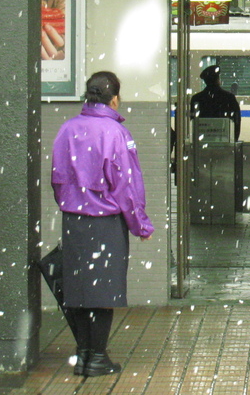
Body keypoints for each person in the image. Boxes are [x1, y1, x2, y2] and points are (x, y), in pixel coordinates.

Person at [51, 72, 153, 377]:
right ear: (115, 98)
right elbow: (127, 186)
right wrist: (140, 225)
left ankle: (83, 354)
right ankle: (96, 357)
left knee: (78, 289)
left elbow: (57, 178)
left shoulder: (67, 129)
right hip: (105, 223)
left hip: (74, 221)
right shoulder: (116, 133)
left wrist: (72, 205)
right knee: (102, 293)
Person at [190, 64, 242, 140]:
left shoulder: (196, 98)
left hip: (202, 142)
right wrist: (234, 140)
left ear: (205, 81)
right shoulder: (229, 97)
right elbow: (237, 121)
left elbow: (193, 120)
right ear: (218, 80)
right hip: (224, 140)